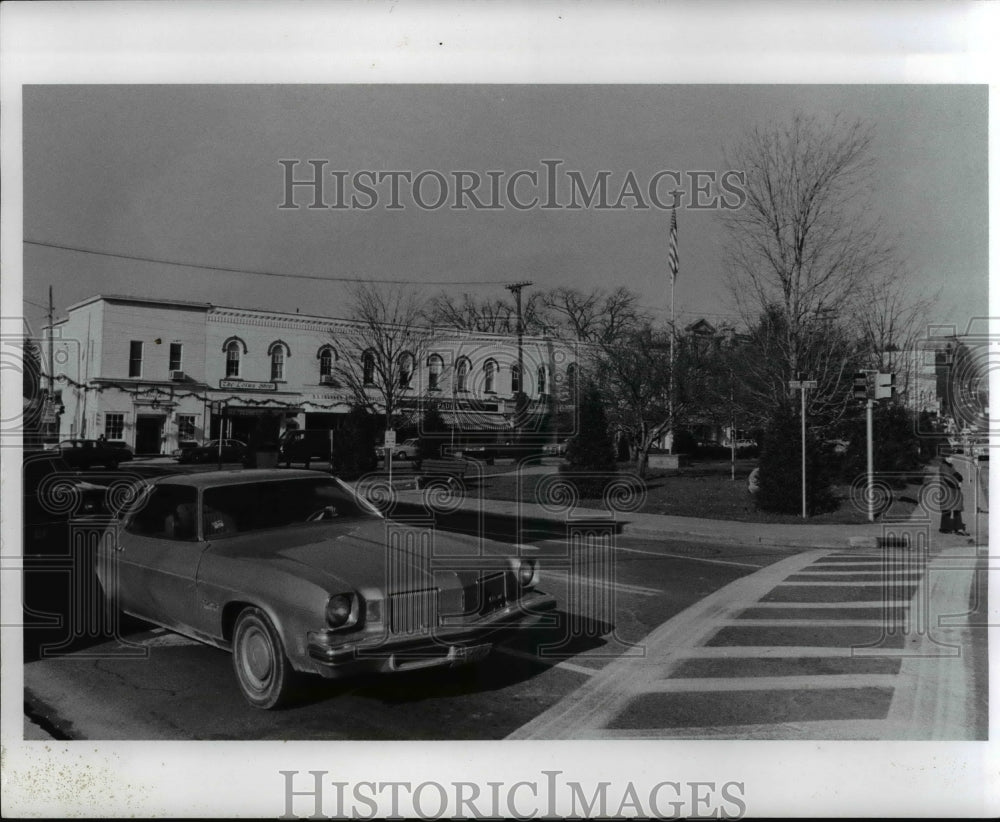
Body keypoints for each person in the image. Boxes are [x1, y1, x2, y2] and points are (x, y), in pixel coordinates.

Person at [939, 457, 968, 535]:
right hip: (947, 489)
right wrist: (957, 483)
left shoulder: (950, 465)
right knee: (947, 508)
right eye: (948, 457)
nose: (950, 459)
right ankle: (945, 528)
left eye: (951, 457)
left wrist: (960, 478)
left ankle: (958, 528)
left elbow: (955, 473)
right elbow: (947, 478)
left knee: (957, 508)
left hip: (954, 489)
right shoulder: (943, 466)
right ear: (944, 458)